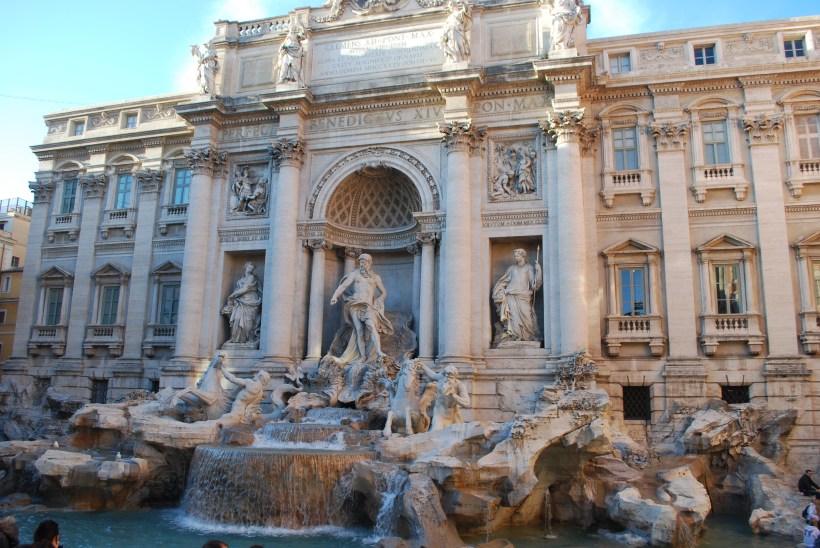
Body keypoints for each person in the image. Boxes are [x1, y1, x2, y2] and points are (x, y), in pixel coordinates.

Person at [329, 253, 393, 364]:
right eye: (361, 261)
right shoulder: (354, 274)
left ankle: (378, 351)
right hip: (355, 304)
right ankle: (362, 356)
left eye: (364, 261)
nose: (362, 263)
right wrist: (335, 296)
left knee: (371, 326)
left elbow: (384, 292)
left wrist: (379, 300)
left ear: (369, 263)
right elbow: (343, 286)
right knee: (359, 330)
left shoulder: (375, 277)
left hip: (368, 306)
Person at [492, 248, 543, 343]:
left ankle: (527, 337)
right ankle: (514, 336)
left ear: (523, 255)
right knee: (513, 318)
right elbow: (503, 281)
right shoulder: (512, 268)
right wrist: (498, 290)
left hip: (523, 296)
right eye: (515, 256)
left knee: (527, 317)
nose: (516, 258)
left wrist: (539, 271)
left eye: (517, 256)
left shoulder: (529, 268)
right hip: (511, 295)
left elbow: (534, 285)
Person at [420, 364, 471, 430]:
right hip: (439, 412)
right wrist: (422, 365)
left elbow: (467, 403)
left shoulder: (460, 386)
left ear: (455, 378)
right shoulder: (441, 378)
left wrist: (453, 395)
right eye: (447, 376)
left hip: (453, 415)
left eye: (451, 377)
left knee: (457, 433)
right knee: (436, 431)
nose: (448, 379)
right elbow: (433, 375)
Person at [222, 262, 263, 344]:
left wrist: (232, 295)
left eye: (251, 268)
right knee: (236, 319)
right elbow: (238, 289)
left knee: (248, 322)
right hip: (240, 301)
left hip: (251, 301)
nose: (250, 269)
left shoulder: (251, 277)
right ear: (245, 267)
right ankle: (234, 338)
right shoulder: (241, 278)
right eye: (249, 267)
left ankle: (248, 339)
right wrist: (234, 298)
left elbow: (245, 289)